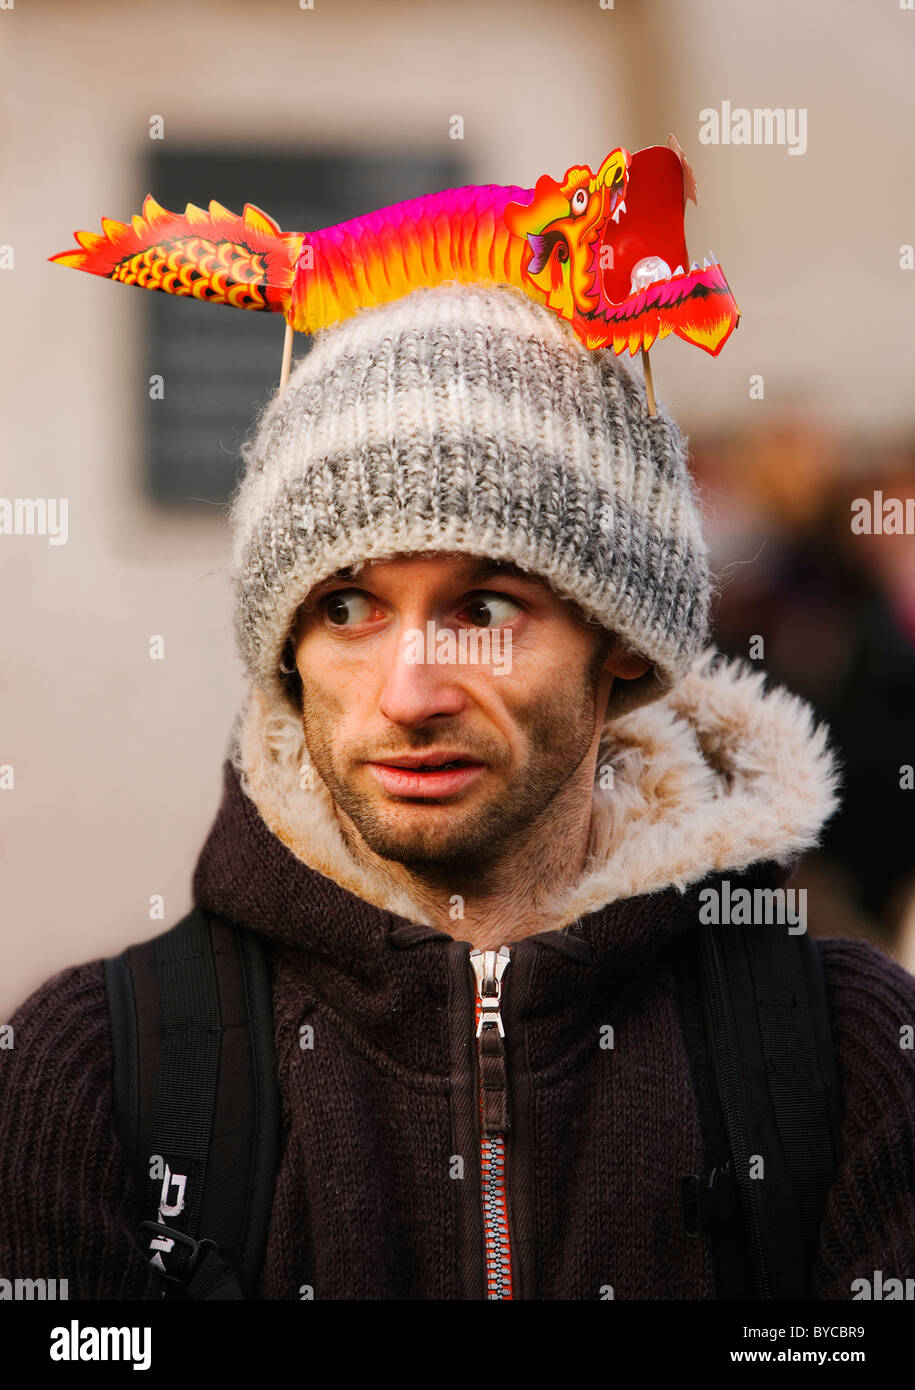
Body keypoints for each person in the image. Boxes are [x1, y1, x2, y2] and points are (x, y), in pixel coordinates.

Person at [2, 281, 914, 1300]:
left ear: (621, 639)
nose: (410, 693)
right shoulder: (93, 1078)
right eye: (347, 606)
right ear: (288, 651)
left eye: (484, 606)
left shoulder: (849, 1063)